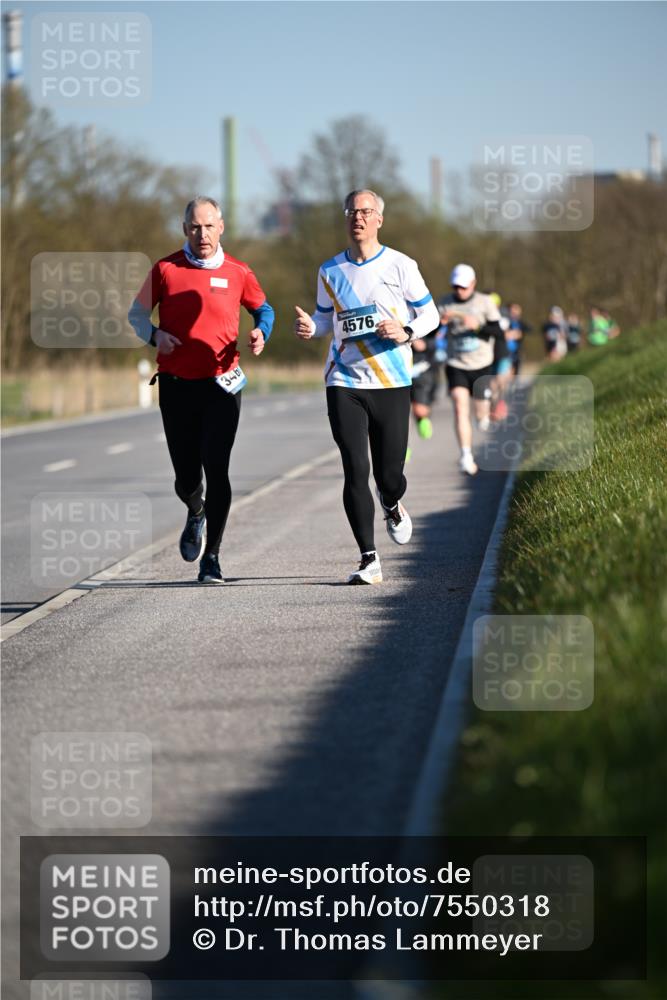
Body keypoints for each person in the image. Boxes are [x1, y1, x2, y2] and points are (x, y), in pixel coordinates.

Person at [294, 189, 439, 585]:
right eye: (351, 211)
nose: (357, 217)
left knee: (388, 476)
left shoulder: (400, 265)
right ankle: (368, 558)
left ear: (379, 219)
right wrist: (311, 327)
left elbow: (430, 315)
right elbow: (325, 320)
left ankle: (391, 502)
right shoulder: (330, 270)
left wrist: (406, 330)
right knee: (355, 468)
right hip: (344, 380)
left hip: (391, 381)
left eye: (365, 211)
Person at [128, 196, 274, 584]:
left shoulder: (238, 271)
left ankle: (212, 557)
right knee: (187, 479)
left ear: (221, 227)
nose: (202, 234)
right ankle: (196, 511)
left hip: (222, 385)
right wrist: (155, 335)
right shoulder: (166, 269)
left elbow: (264, 309)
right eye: (195, 227)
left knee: (218, 468)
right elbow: (136, 315)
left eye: (209, 226)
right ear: (185, 229)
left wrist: (261, 332)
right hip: (176, 386)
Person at [440, 264, 503, 476]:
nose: (459, 291)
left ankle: (484, 414)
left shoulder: (485, 302)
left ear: (473, 284)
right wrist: (440, 324)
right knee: (460, 407)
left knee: (481, 413)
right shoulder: (444, 303)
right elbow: (429, 333)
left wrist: (477, 326)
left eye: (463, 287)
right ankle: (466, 456)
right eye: (455, 287)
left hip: (481, 364)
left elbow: (498, 332)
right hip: (456, 364)